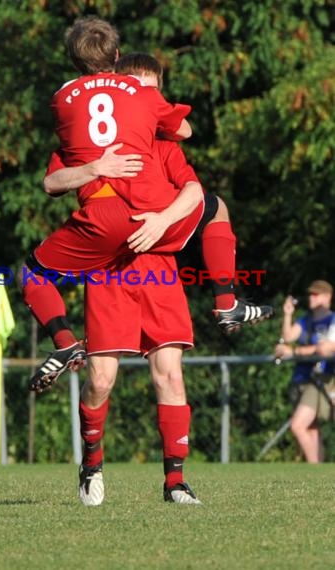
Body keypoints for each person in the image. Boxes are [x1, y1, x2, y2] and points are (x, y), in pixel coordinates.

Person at [23, 22, 273, 392]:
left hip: (98, 225)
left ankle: (63, 343)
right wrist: (149, 115)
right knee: (215, 207)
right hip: (145, 212)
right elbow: (185, 133)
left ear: (74, 60)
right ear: (117, 57)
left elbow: (51, 183)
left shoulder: (61, 99)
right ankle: (225, 301)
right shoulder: (139, 95)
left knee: (32, 274)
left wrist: (93, 166)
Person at [79, 252, 201, 506]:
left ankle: (175, 481)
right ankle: (91, 461)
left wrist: (165, 218)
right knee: (100, 381)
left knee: (171, 377)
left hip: (157, 266)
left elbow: (210, 210)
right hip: (107, 266)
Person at [274, 280, 335, 462]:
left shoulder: (332, 319)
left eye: (315, 294)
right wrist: (287, 315)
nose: (311, 297)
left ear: (327, 297)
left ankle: (314, 467)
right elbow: (288, 336)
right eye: (310, 294)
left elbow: (326, 348)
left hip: (322, 377)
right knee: (311, 428)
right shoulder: (305, 319)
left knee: (298, 425)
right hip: (303, 377)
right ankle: (318, 470)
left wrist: (293, 352)